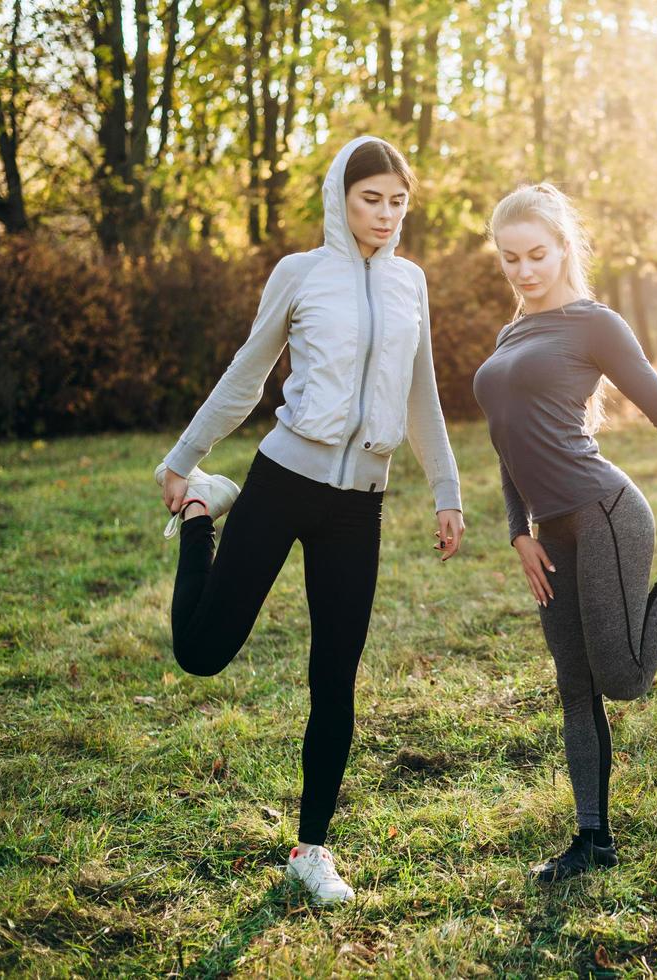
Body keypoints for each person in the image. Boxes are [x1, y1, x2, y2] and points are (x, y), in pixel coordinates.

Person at [154, 135, 465, 904]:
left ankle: (312, 849)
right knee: (201, 652)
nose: (386, 215)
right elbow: (248, 373)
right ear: (341, 196)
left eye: (398, 201)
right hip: (284, 478)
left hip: (359, 506)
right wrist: (183, 459)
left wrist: (447, 491)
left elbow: (422, 395)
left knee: (336, 677)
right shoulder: (301, 274)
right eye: (371, 199)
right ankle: (203, 512)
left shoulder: (410, 285)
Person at [472, 183, 657, 883]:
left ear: (564, 248)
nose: (525, 270)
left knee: (621, 678)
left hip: (604, 513)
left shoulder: (594, 325)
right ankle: (592, 840)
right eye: (511, 259)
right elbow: (507, 441)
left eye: (537, 254)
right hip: (550, 531)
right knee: (574, 684)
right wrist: (517, 531)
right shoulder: (511, 336)